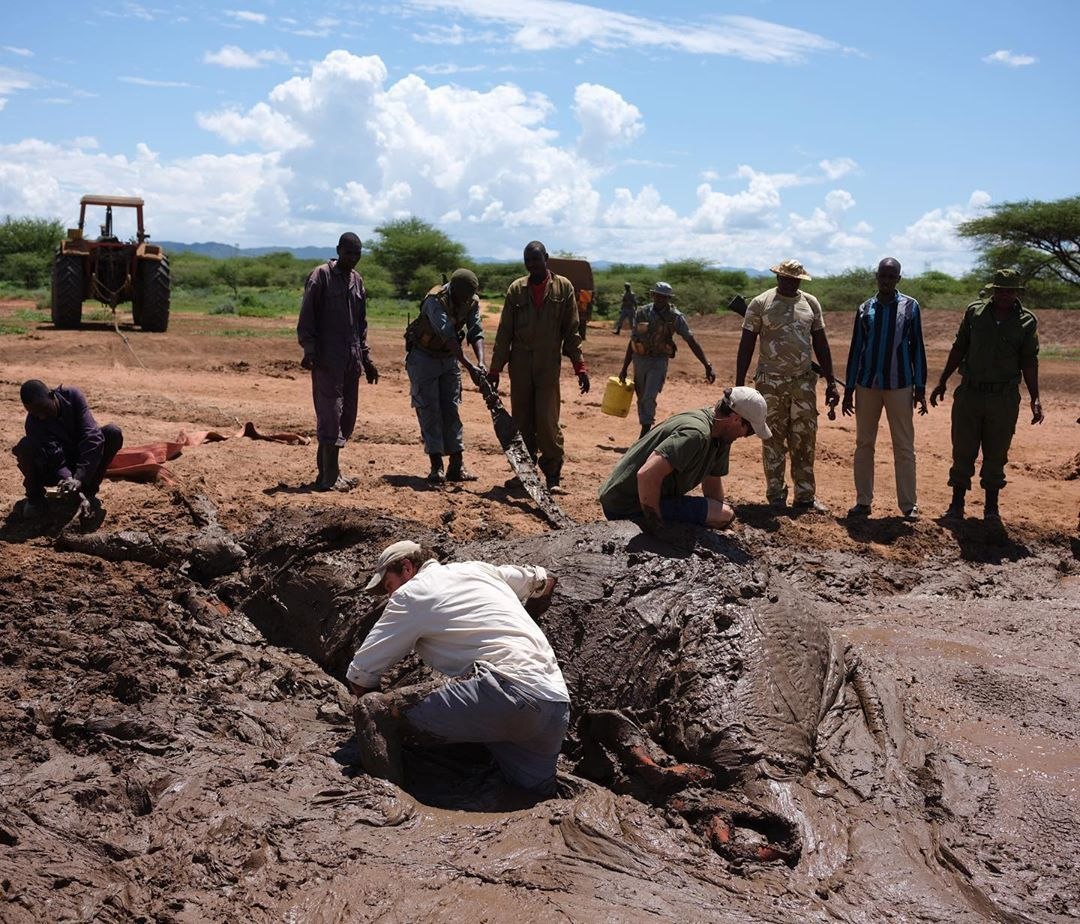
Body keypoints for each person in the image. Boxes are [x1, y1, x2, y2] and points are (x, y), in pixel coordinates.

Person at [346, 540, 570, 796]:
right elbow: (546, 580)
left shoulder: (411, 594)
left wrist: (377, 726)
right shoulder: (480, 570)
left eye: (389, 585)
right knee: (533, 796)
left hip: (505, 695)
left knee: (372, 710)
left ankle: (389, 803)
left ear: (407, 568)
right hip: (554, 706)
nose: (390, 595)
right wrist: (528, 618)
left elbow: (360, 677)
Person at [930, 269, 1042, 523]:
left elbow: (1029, 361)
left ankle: (991, 509)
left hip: (1004, 398)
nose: (1004, 295)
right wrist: (943, 380)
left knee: (996, 452)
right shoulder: (975, 313)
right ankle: (956, 506)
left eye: (1009, 291)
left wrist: (1035, 398)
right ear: (993, 290)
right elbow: (959, 347)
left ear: (1017, 293)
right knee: (963, 449)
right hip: (970, 392)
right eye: (1000, 290)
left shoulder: (1027, 321)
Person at [735, 259, 839, 513]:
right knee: (772, 438)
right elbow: (746, 344)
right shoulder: (760, 303)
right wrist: (739, 385)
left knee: (804, 438)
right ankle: (775, 496)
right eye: (787, 279)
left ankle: (805, 496)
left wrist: (832, 381)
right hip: (769, 383)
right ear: (778, 278)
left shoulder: (810, 303)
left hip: (803, 383)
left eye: (796, 280)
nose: (792, 283)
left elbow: (821, 343)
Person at [487, 241, 590, 492]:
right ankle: (525, 475)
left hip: (547, 364)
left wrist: (580, 367)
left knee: (546, 419)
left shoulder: (563, 287)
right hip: (520, 364)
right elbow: (504, 332)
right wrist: (495, 369)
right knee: (521, 420)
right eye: (527, 261)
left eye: (536, 259)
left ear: (546, 258)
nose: (532, 265)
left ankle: (553, 476)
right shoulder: (516, 290)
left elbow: (571, 331)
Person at [598, 386, 770, 532]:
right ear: (736, 419)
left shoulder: (721, 434)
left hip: (641, 497)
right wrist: (656, 527)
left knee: (723, 514)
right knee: (724, 514)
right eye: (750, 431)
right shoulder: (696, 434)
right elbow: (647, 474)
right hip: (625, 503)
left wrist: (718, 523)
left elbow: (712, 482)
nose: (746, 436)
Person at [842, 258, 929, 520]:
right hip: (866, 385)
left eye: (892, 276)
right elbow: (856, 349)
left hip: (900, 384)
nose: (886, 280)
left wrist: (920, 387)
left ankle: (908, 505)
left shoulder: (910, 307)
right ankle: (863, 502)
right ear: (876, 276)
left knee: (903, 445)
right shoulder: (864, 308)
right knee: (864, 444)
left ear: (898, 279)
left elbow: (918, 349)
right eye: (883, 275)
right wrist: (848, 388)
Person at [297, 232, 379, 491]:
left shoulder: (357, 281)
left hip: (351, 360)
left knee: (347, 418)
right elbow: (307, 316)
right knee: (330, 416)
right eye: (349, 253)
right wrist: (309, 350)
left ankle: (332, 473)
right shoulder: (320, 276)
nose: (353, 259)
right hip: (326, 358)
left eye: (357, 255)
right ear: (338, 251)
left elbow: (361, 325)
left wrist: (367, 359)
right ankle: (328, 477)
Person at [405, 268, 486, 484]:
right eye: (462, 297)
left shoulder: (471, 301)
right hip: (423, 359)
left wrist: (481, 362)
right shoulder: (435, 300)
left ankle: (456, 466)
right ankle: (436, 466)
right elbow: (448, 335)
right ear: (453, 291)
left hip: (449, 359)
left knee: (451, 409)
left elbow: (476, 332)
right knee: (430, 409)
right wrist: (469, 367)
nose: (465, 301)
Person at [13, 380, 123, 520]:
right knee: (26, 446)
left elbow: (92, 437)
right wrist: (69, 480)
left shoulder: (73, 397)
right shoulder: (33, 423)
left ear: (52, 395)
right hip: (54, 471)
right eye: (35, 413)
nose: (42, 416)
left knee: (113, 433)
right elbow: (55, 457)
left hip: (82, 461)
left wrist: (80, 478)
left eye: (44, 409)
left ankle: (89, 492)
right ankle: (35, 499)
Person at [618, 281, 716, 438]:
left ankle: (645, 430)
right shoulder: (642, 312)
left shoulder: (675, 317)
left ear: (668, 298)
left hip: (659, 360)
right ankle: (645, 424)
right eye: (658, 296)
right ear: (653, 295)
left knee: (650, 395)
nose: (660, 299)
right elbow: (633, 341)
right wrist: (624, 368)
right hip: (640, 359)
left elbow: (690, 340)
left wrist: (707, 364)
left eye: (664, 297)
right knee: (641, 396)